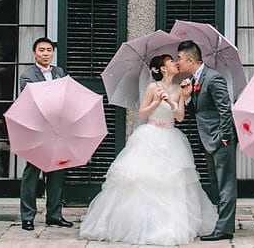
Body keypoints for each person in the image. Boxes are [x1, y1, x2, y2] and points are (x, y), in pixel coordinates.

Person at [80, 54, 218, 244]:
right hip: (150, 134)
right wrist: (156, 102)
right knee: (145, 179)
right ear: (162, 68)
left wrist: (177, 100)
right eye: (171, 62)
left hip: (171, 138)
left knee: (172, 182)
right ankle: (141, 223)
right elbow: (142, 112)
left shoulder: (179, 89)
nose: (175, 64)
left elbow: (179, 117)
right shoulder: (153, 87)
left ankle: (169, 223)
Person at [177, 40, 237, 241]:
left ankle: (223, 229)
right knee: (216, 183)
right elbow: (200, 109)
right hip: (208, 140)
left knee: (225, 184)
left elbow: (225, 110)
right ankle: (223, 224)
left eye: (179, 59)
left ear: (190, 60)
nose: (178, 63)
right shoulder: (196, 79)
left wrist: (225, 138)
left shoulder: (213, 78)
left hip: (220, 140)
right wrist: (186, 97)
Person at [18, 37, 72, 231]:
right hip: (38, 131)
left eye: (49, 50)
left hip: (58, 131)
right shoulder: (27, 76)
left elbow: (66, 97)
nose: (45, 53)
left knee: (57, 174)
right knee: (32, 176)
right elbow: (30, 102)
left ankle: (54, 215)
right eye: (41, 50)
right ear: (34, 53)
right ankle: (27, 216)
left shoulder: (59, 72)